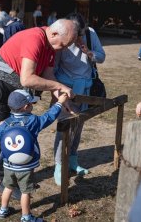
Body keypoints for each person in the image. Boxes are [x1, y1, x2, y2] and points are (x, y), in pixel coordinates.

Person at [0, 19, 78, 199]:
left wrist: (61, 98)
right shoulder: (35, 38)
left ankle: (17, 174)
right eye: (63, 44)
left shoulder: (51, 46)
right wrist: (60, 85)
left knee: (19, 131)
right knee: (0, 133)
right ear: (53, 34)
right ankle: (6, 181)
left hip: (15, 87)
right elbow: (27, 79)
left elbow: (48, 74)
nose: (63, 49)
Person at [0, 89, 68, 221]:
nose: (33, 105)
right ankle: (26, 217)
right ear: (26, 106)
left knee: (8, 187)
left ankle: (2, 210)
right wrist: (59, 103)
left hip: (8, 164)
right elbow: (49, 117)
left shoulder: (5, 123)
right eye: (32, 103)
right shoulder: (32, 121)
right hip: (26, 166)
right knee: (25, 191)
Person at [53, 13, 106, 185]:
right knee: (65, 126)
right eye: (77, 34)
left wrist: (89, 53)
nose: (79, 37)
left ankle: (73, 159)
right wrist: (57, 91)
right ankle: (59, 165)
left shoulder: (90, 33)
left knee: (79, 124)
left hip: (86, 86)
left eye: (81, 33)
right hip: (66, 88)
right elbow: (54, 67)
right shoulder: (63, 37)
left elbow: (102, 56)